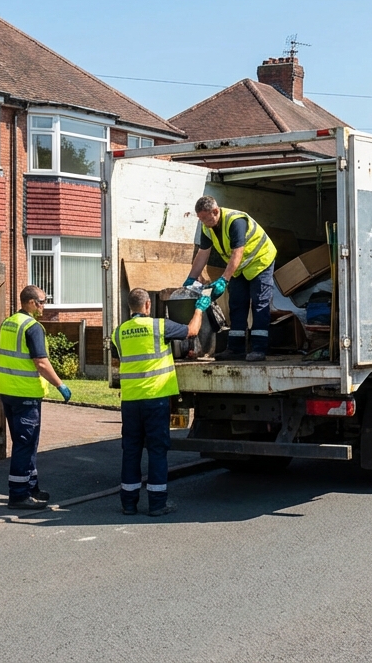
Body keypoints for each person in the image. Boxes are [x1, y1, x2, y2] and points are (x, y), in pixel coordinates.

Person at [111, 288, 205, 516]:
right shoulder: (159, 326)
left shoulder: (118, 332)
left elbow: (118, 360)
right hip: (155, 398)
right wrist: (199, 309)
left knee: (131, 451)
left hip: (131, 401)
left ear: (130, 307)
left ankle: (129, 503)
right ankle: (157, 503)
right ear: (147, 306)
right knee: (157, 450)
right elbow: (191, 331)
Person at [0, 285, 73, 510]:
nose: (43, 305)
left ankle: (31, 487)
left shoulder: (8, 323)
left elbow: (1, 352)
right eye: (41, 301)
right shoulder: (33, 327)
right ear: (29, 302)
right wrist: (60, 384)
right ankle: (19, 495)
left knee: (27, 443)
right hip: (26, 393)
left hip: (8, 392)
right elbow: (41, 362)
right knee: (25, 444)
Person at [184, 195, 278, 362]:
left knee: (259, 304)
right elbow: (203, 254)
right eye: (200, 219)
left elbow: (238, 252)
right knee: (236, 304)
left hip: (260, 261)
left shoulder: (236, 221)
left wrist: (224, 279)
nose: (203, 223)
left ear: (215, 211)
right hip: (239, 267)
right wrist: (191, 279)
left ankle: (259, 349)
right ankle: (235, 349)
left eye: (205, 218)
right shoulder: (207, 228)